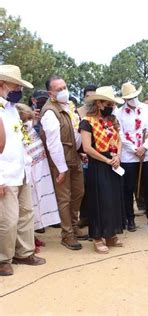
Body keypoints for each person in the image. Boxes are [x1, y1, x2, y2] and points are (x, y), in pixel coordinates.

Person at [0, 64, 45, 276]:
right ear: (2, 85)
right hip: (5, 176)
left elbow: (19, 140)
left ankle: (24, 252)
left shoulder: (12, 110)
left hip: (21, 171)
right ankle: (3, 259)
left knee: (26, 214)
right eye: (15, 85)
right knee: (7, 220)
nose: (19, 90)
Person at [40, 75, 87, 250]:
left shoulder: (68, 107)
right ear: (50, 93)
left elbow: (75, 132)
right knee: (64, 198)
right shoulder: (50, 112)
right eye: (58, 89)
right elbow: (53, 143)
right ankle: (67, 234)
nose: (63, 91)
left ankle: (74, 227)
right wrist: (61, 169)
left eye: (65, 87)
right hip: (60, 160)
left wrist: (81, 151)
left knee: (78, 192)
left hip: (74, 156)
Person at [79, 86, 126, 254]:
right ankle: (98, 237)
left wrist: (118, 156)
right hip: (98, 165)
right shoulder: (86, 122)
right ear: (99, 103)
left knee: (113, 199)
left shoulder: (111, 120)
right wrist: (107, 160)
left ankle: (111, 233)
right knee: (100, 200)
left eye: (112, 104)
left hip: (113, 163)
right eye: (108, 103)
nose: (111, 106)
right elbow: (87, 147)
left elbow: (119, 140)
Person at [116, 82, 148, 231]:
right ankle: (130, 219)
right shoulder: (119, 113)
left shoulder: (147, 109)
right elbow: (119, 134)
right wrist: (134, 149)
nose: (132, 99)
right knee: (128, 188)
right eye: (129, 97)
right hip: (128, 157)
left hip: (146, 155)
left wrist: (145, 146)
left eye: (134, 96)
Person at [16, 103, 60, 234]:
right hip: (29, 163)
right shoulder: (15, 127)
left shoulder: (30, 123)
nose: (27, 122)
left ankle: (42, 223)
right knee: (32, 197)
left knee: (43, 192)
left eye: (28, 119)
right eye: (24, 120)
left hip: (41, 161)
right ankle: (32, 229)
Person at [78, 84, 96, 228]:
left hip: (100, 156)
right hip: (83, 155)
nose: (90, 99)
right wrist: (82, 152)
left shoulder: (101, 112)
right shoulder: (77, 112)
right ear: (84, 97)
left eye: (94, 96)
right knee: (84, 188)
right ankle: (84, 217)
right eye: (88, 96)